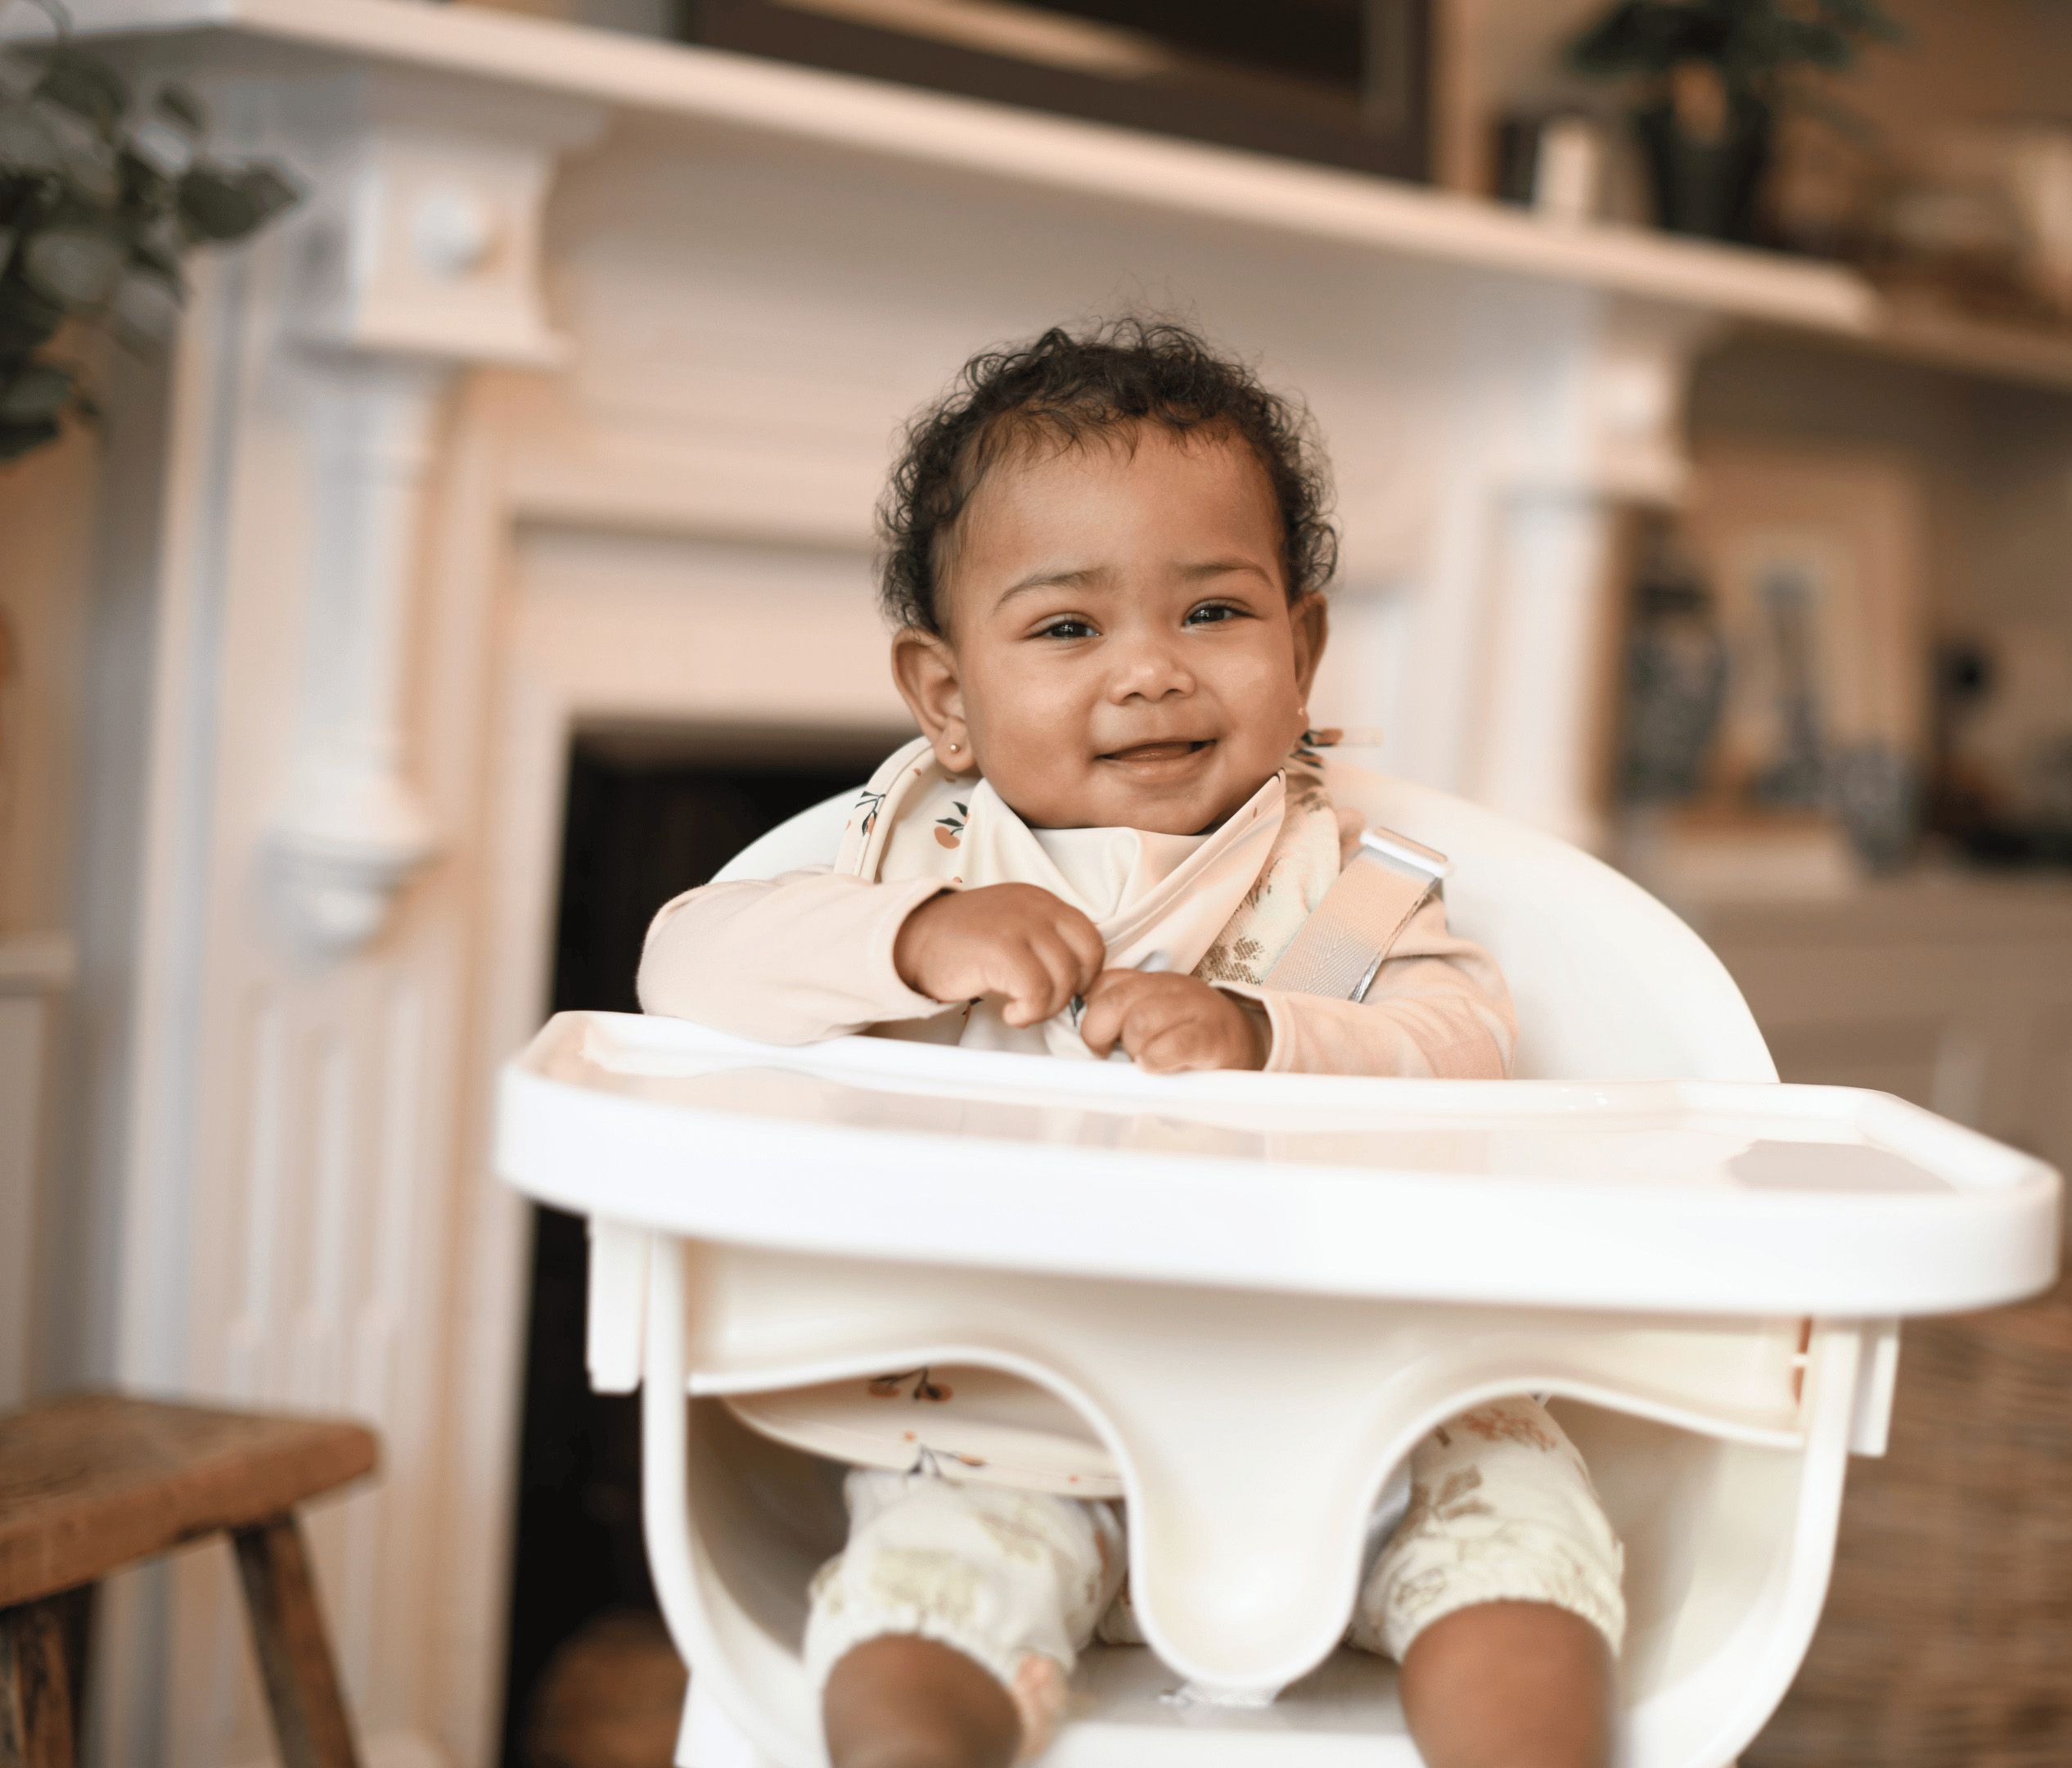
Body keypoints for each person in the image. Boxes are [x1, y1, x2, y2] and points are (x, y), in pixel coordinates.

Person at [637, 318, 1623, 1768]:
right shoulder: (908, 869)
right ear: (948, 697)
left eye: (1213, 612)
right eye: (1067, 629)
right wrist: (915, 940)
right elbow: (682, 965)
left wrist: (1266, 1033)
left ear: (1304, 647)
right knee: (915, 1617)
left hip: (1353, 1405)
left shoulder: (1345, 889)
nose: (1152, 671)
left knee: (1519, 1540)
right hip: (1007, 1409)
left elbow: (1466, 1046)